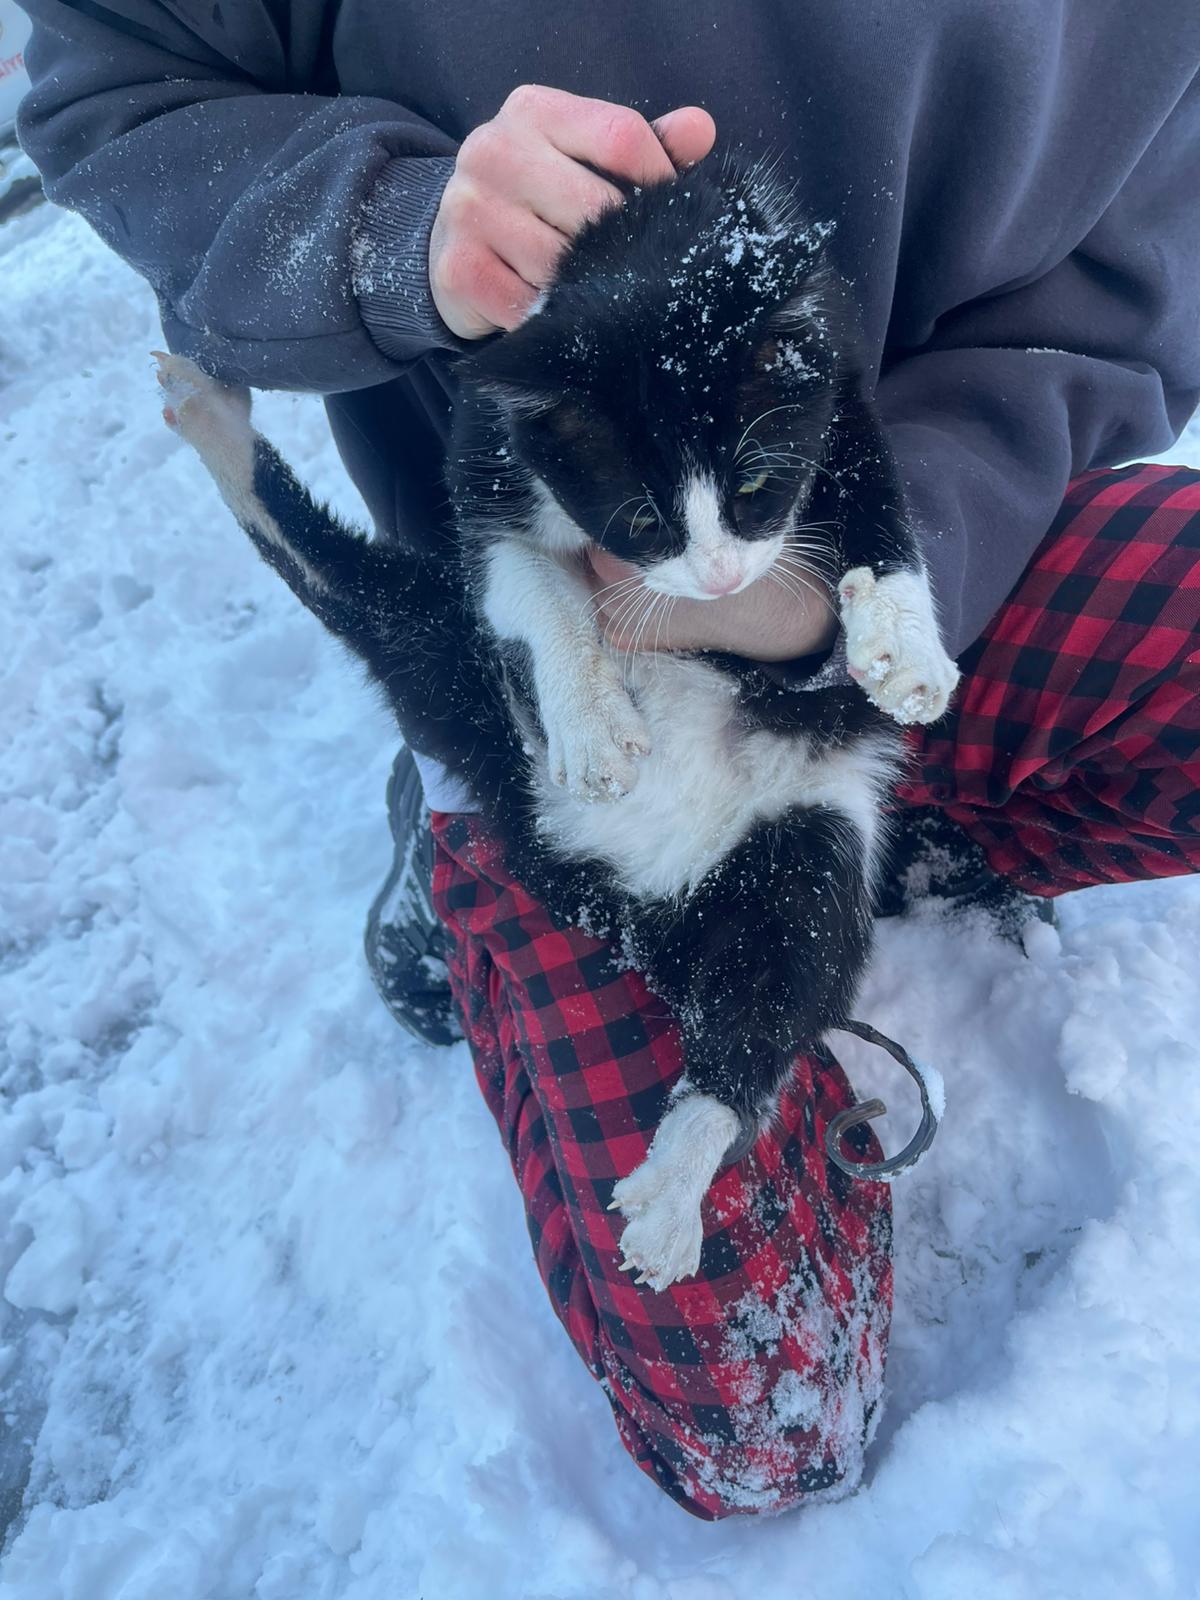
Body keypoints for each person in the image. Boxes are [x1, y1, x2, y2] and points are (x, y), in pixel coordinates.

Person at [18, 3, 1200, 1518]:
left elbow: (1122, 289)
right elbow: (118, 86)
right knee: (767, 1423)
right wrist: (388, 225)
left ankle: (888, 852)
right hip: (577, 677)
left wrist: (877, 577)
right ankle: (503, 844)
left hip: (928, 550)